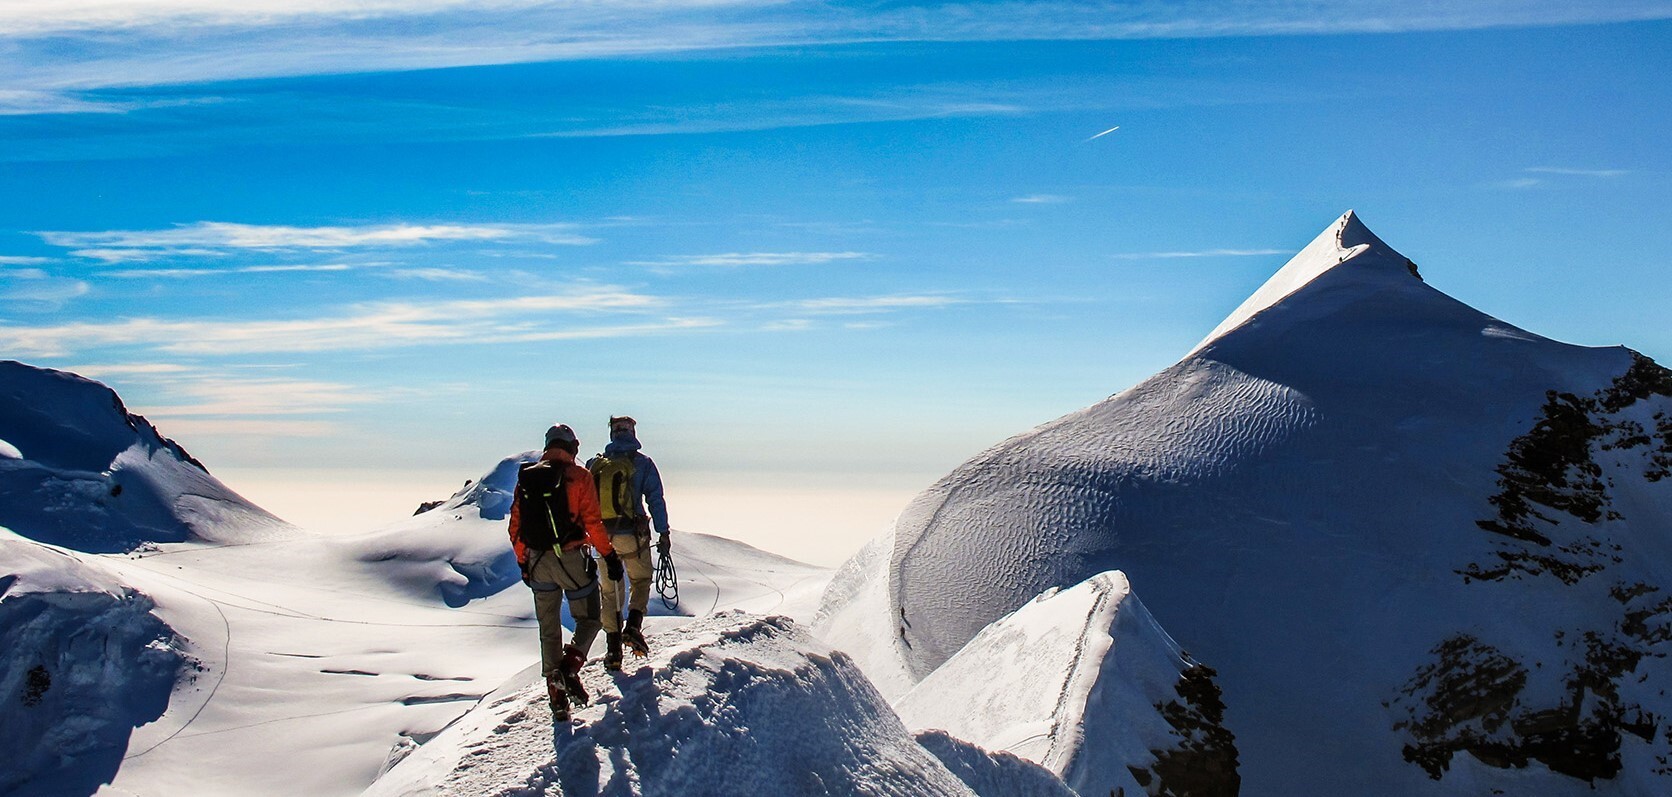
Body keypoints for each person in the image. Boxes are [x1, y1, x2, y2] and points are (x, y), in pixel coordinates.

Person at [508, 423, 624, 722]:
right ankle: (569, 669)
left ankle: (556, 698)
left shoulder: (527, 478)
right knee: (589, 618)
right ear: (572, 447)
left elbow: (516, 527)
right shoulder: (579, 477)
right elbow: (593, 522)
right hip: (571, 558)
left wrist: (524, 562)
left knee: (548, 629)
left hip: (537, 561)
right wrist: (608, 555)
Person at [588, 415, 670, 670]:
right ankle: (633, 626)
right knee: (641, 580)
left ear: (612, 434)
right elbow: (655, 499)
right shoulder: (643, 463)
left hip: (603, 538)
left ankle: (613, 652)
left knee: (609, 592)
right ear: (633, 432)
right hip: (633, 535)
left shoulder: (596, 464)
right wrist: (663, 532)